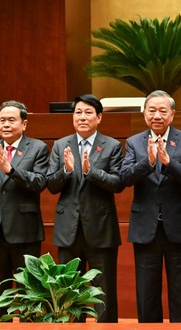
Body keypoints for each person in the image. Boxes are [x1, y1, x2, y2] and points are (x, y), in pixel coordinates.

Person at [120, 90, 181, 323]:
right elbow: (125, 178)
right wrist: (149, 162)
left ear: (172, 114)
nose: (157, 115)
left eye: (163, 111)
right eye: (152, 110)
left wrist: (168, 162)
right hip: (146, 226)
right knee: (147, 292)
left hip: (179, 226)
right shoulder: (134, 142)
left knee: (180, 290)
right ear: (144, 113)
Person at [46, 94, 124, 322]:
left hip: (101, 228)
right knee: (69, 293)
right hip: (68, 229)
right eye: (78, 112)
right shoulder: (61, 145)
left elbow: (118, 183)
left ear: (99, 118)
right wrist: (67, 171)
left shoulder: (112, 146)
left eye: (88, 113)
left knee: (103, 291)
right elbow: (51, 185)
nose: (82, 117)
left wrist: (92, 172)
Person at [0, 100, 49, 321]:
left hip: (25, 230)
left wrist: (11, 170)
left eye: (11, 120)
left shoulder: (38, 148)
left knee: (29, 290)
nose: (5, 124)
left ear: (24, 124)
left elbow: (39, 182)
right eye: (2, 120)